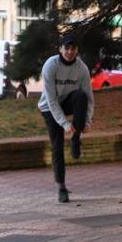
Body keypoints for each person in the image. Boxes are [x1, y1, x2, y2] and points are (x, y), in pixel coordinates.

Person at [38, 34, 94, 203]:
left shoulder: (81, 68)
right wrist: (64, 123)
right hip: (49, 107)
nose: (70, 52)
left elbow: (89, 98)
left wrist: (88, 121)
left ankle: (76, 139)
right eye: (66, 48)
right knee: (57, 145)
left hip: (68, 101)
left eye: (73, 48)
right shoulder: (51, 65)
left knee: (80, 96)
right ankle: (61, 187)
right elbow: (51, 99)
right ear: (60, 49)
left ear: (77, 50)